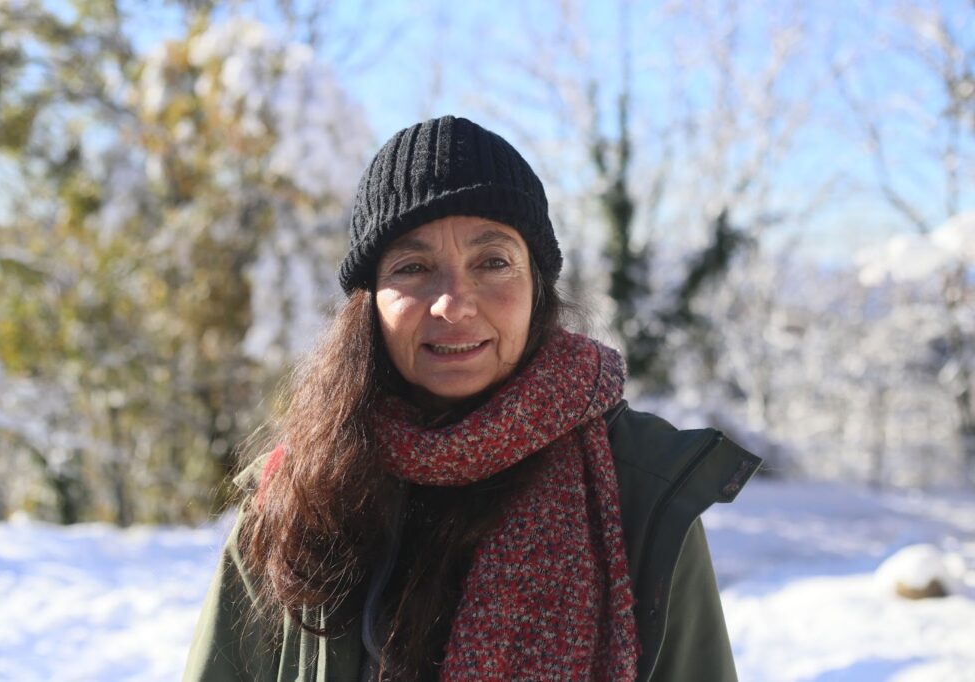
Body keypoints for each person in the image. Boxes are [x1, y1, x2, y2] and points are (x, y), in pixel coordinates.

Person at [184, 115, 761, 681]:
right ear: (370, 302)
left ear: (537, 289)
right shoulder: (300, 496)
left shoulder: (641, 489)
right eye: (413, 267)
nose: (453, 304)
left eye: (493, 262)